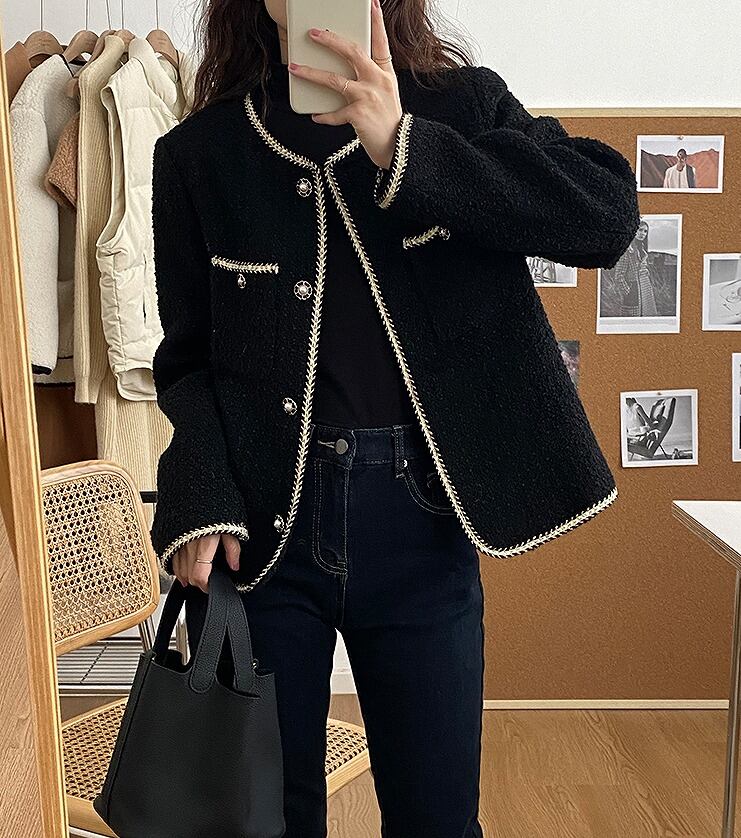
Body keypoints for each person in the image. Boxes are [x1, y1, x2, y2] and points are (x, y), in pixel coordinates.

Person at [147, 1, 640, 835]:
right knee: (262, 818)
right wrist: (201, 491)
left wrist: (401, 144)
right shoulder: (199, 153)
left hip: (423, 523)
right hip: (264, 532)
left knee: (435, 818)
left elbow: (603, 214)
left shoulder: (463, 107)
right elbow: (188, 362)